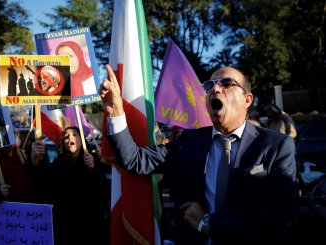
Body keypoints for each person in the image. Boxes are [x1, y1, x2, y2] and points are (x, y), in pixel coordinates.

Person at [99, 64, 299, 245]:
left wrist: (208, 222)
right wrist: (116, 112)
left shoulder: (277, 145)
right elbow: (134, 159)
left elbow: (281, 218)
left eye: (226, 83)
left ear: (247, 99)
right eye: (210, 85)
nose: (215, 88)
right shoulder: (188, 142)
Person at [31, 126, 109, 245]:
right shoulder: (56, 166)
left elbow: (104, 192)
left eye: (74, 134)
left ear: (82, 139)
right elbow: (44, 189)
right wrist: (35, 163)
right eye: (66, 137)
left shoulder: (93, 161)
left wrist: (94, 169)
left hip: (91, 227)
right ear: (62, 143)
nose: (70, 138)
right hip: (65, 229)